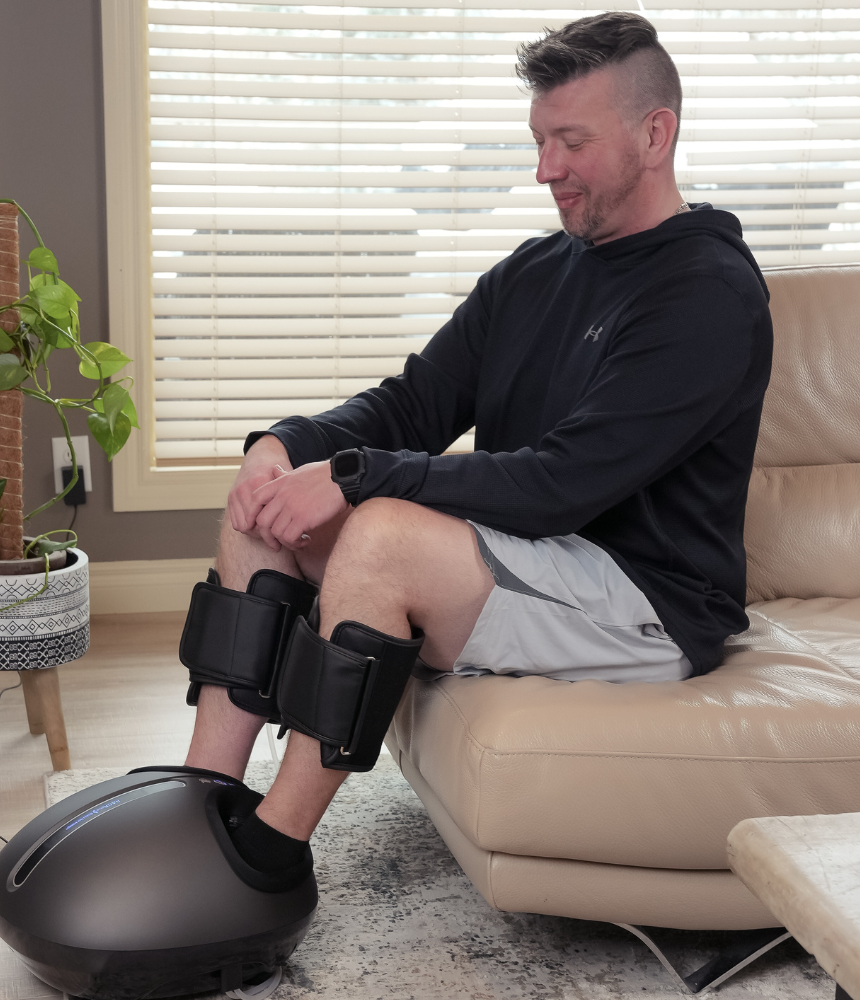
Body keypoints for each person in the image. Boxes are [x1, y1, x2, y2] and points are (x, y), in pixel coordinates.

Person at [180, 11, 772, 884]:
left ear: (657, 133)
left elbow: (561, 488)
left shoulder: (708, 293)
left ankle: (268, 857)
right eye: (540, 140)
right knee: (263, 513)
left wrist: (352, 478)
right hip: (531, 555)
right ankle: (198, 799)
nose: (546, 170)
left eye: (571, 141)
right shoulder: (536, 271)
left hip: (645, 597)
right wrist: (283, 445)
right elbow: (413, 404)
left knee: (380, 537)